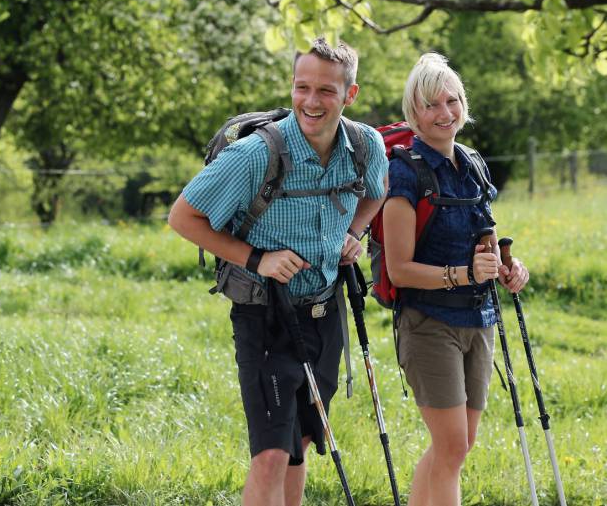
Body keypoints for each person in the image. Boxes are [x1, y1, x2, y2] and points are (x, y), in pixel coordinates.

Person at [168, 38, 388, 506]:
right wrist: (257, 259)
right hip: (263, 316)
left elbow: (376, 191)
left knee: (299, 444)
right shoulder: (254, 155)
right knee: (269, 454)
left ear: (350, 95)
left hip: (324, 315)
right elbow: (182, 217)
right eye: (301, 87)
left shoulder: (366, 146)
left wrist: (351, 232)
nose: (311, 101)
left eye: (326, 91)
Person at [382, 53, 529, 506]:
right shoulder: (403, 171)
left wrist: (507, 267)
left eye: (453, 100)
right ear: (414, 112)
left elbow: (483, 238)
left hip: (479, 319)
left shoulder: (474, 165)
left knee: (458, 446)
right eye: (432, 105)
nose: (445, 113)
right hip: (428, 322)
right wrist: (462, 274)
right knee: (450, 446)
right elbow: (398, 269)